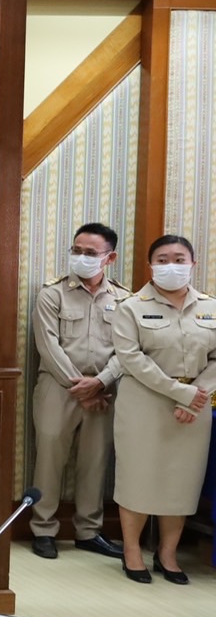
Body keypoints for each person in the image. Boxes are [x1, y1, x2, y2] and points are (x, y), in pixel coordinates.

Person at [109, 234, 216, 585]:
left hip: (195, 405)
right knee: (138, 477)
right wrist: (180, 393)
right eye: (163, 259)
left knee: (181, 482)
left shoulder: (210, 306)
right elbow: (131, 358)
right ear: (151, 265)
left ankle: (168, 554)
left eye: (179, 259)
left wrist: (195, 396)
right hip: (145, 402)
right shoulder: (131, 306)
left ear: (193, 263)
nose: (172, 266)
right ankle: (132, 551)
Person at [28, 222, 130, 559]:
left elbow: (127, 350)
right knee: (49, 458)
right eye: (76, 250)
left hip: (104, 390)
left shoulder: (124, 299)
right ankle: (43, 529)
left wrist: (99, 383)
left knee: (95, 460)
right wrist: (82, 388)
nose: (81, 257)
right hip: (58, 387)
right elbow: (48, 346)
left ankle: (89, 531)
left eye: (90, 252)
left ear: (110, 257)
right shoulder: (52, 293)